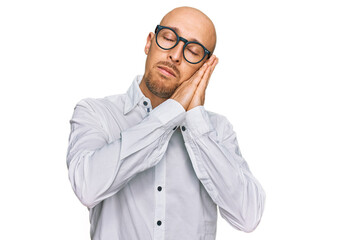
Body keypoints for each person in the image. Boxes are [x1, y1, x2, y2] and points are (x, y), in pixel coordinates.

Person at [66, 6, 265, 240]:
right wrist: (172, 111)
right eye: (169, 38)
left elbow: (248, 216)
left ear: (205, 66)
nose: (175, 55)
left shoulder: (217, 130)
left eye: (193, 50)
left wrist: (196, 122)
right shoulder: (96, 112)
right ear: (150, 42)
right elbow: (87, 187)